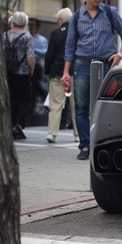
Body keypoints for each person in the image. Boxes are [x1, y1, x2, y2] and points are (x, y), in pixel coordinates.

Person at [63, 0, 122, 160]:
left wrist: (120, 55)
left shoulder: (110, 12)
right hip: (83, 65)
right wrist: (65, 72)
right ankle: (85, 146)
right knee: (81, 107)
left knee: (105, 106)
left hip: (105, 65)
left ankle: (102, 144)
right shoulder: (77, 17)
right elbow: (70, 45)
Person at [44, 8, 79, 143]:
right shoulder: (77, 33)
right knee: (76, 105)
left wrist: (47, 72)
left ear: (60, 20)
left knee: (55, 104)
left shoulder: (55, 33)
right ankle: (78, 134)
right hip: (74, 73)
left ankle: (52, 134)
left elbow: (49, 55)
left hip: (57, 72)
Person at [4, 11, 35, 140]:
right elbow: (30, 56)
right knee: (27, 100)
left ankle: (11, 126)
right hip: (22, 72)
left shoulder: (3, 35)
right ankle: (19, 124)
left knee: (13, 100)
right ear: (24, 22)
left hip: (7, 72)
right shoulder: (27, 37)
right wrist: (31, 68)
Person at [28, 17, 49, 110]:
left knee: (34, 89)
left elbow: (45, 52)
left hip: (37, 68)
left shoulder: (42, 40)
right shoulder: (26, 37)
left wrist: (32, 51)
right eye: (29, 24)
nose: (30, 26)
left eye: (32, 25)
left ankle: (32, 109)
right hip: (25, 67)